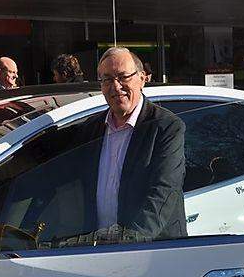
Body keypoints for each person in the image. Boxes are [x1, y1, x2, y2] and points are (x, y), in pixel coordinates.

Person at [76, 47, 187, 240]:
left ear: (142, 78)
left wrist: (129, 242)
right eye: (107, 79)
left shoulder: (166, 127)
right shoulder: (91, 129)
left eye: (123, 77)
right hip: (96, 250)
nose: (116, 86)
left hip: (151, 250)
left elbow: (163, 191)